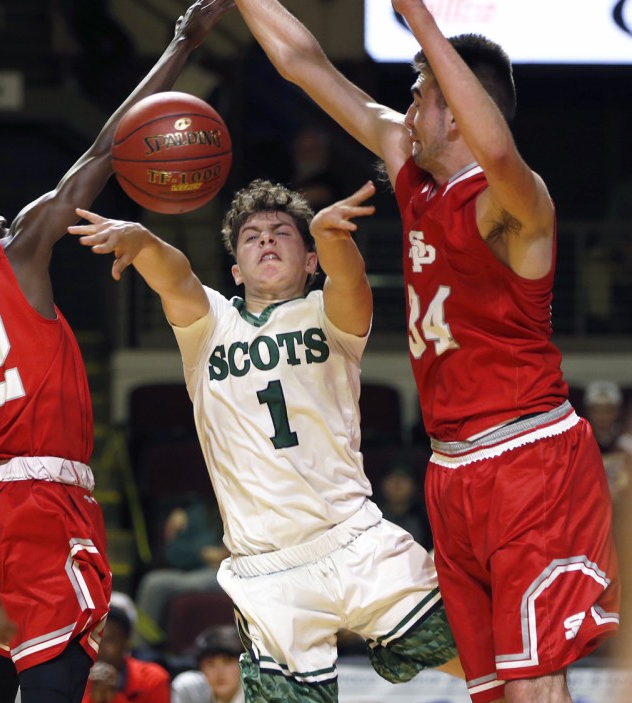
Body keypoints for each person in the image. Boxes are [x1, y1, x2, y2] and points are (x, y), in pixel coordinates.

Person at [231, 1, 620, 701]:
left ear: (459, 112)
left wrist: (421, 21)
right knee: (494, 689)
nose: (405, 113)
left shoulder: (518, 204)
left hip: (529, 459)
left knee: (537, 685)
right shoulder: (411, 170)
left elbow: (497, 150)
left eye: (420, 98)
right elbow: (306, 66)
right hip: (452, 471)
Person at [0, 2, 232, 702]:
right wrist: (181, 43)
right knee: (59, 675)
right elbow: (106, 149)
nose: (0, 210)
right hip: (40, 500)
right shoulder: (15, 254)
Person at [70, 178, 461, 702]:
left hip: (354, 538)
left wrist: (334, 239)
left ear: (310, 261)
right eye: (252, 237)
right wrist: (143, 242)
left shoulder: (329, 313)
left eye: (283, 233)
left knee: (482, 658)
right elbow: (177, 277)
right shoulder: (211, 326)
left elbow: (351, 281)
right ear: (235, 269)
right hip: (267, 571)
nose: (267, 241)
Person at [134, 499, 228, 651]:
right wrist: (202, 554)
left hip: (230, 573)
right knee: (153, 582)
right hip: (194, 572)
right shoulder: (198, 512)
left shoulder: (249, 508)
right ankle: (141, 647)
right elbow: (174, 553)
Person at [82, 600, 170, 703]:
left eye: (108, 640)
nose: (98, 647)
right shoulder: (73, 677)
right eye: (93, 639)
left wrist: (113, 697)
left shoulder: (152, 679)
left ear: (126, 642)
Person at [171, 625, 245, 703]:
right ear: (201, 668)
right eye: (210, 664)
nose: (219, 672)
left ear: (243, 665)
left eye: (227, 662)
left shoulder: (257, 695)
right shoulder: (189, 689)